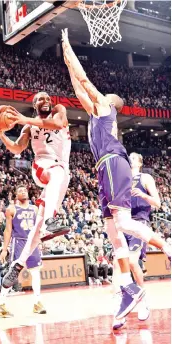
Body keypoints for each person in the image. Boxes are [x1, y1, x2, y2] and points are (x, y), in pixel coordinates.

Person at [61, 28, 171, 322]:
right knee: (113, 233)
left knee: (122, 222)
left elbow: (84, 80)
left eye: (104, 94)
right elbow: (78, 88)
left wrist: (68, 47)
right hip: (103, 169)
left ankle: (166, 246)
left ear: (111, 102)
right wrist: (66, 60)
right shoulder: (97, 112)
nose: (98, 94)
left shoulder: (106, 107)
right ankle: (128, 291)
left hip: (113, 162)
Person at [0, 92, 71, 289]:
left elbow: (58, 124)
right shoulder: (29, 126)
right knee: (56, 173)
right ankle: (52, 222)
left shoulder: (59, 111)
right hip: (42, 166)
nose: (46, 101)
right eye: (40, 99)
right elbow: (17, 149)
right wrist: (1, 133)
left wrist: (23, 118)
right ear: (34, 104)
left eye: (48, 99)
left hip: (62, 174)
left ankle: (17, 267)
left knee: (37, 229)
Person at [112, 152, 161, 329]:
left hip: (139, 222)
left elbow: (158, 203)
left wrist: (142, 195)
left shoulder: (145, 177)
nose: (129, 159)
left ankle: (143, 302)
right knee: (118, 266)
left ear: (139, 163)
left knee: (132, 261)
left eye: (132, 157)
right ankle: (119, 312)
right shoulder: (121, 179)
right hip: (121, 223)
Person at [0, 185, 46, 317]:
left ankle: (37, 303)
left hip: (32, 241)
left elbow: (38, 227)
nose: (23, 191)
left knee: (36, 272)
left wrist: (39, 241)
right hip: (19, 242)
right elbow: (8, 230)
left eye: (25, 190)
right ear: (16, 195)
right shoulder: (11, 209)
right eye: (20, 191)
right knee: (13, 273)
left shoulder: (34, 208)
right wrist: (4, 249)